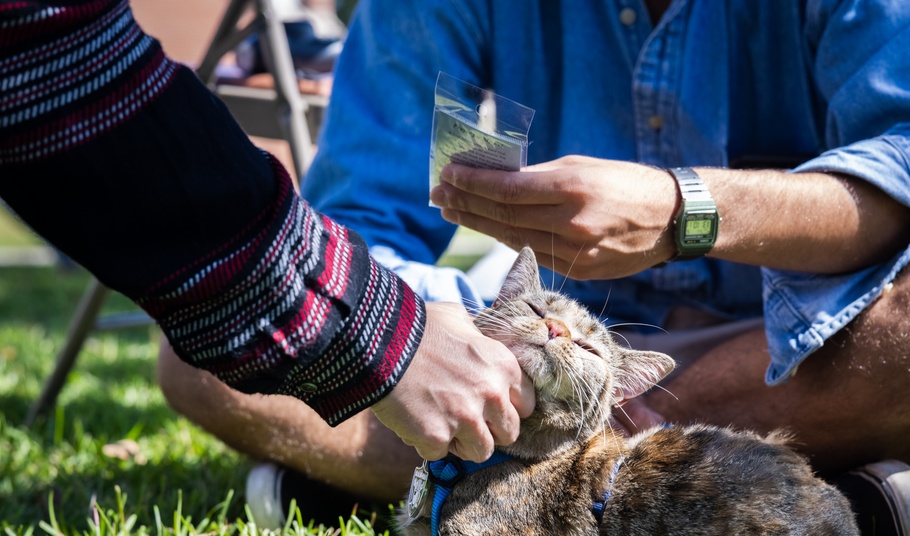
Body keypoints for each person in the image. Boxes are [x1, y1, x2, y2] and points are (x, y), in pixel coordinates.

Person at [157, 0, 910, 536]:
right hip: (535, 360)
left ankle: (454, 492)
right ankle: (770, 504)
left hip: (788, 354)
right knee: (230, 327)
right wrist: (422, 348)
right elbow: (360, 229)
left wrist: (686, 213)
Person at [0, 0, 535, 474]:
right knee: (198, 373)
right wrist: (392, 336)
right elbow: (60, 72)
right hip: (493, 349)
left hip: (580, 361)